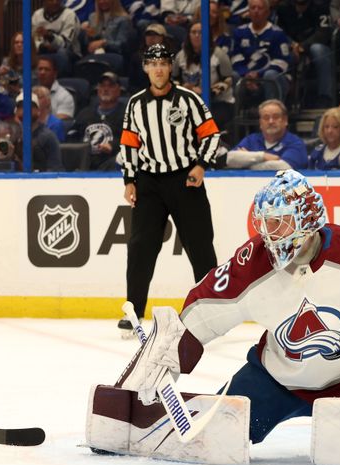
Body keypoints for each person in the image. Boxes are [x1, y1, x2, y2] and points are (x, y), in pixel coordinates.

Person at [117, 170, 340, 446]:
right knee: (216, 436)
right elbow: (205, 309)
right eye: (265, 223)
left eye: (278, 222)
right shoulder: (252, 262)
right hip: (276, 379)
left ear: (307, 219)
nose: (269, 235)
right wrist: (170, 352)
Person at [118, 43, 220, 333]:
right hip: (149, 182)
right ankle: (134, 311)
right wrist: (129, 179)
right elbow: (128, 143)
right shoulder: (136, 104)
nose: (159, 68)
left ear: (170, 67)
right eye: (153, 64)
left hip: (184, 180)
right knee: (140, 247)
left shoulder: (188, 99)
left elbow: (211, 135)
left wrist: (201, 165)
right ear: (145, 68)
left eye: (163, 63)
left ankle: (211, 311)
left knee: (200, 246)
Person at [230, 0, 293, 100]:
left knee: (270, 75)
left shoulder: (277, 33)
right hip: (246, 76)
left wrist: (259, 74)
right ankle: (236, 113)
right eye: (253, 8)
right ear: (248, 12)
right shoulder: (239, 32)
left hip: (270, 76)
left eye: (260, 8)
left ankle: (272, 110)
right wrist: (246, 74)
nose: (256, 11)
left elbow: (282, 62)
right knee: (233, 75)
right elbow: (235, 58)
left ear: (268, 12)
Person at [225, 99, 308, 170]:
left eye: (275, 117)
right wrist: (263, 156)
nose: (271, 121)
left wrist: (246, 163)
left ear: (285, 120)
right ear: (260, 123)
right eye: (266, 117)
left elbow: (284, 167)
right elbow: (229, 159)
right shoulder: (251, 140)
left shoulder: (295, 142)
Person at [72, 71, 126, 170]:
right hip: (83, 164)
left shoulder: (126, 114)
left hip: (110, 164)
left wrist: (113, 146)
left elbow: (133, 140)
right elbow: (71, 138)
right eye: (102, 86)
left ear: (119, 90)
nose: (105, 89)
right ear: (98, 89)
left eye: (110, 86)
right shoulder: (85, 113)